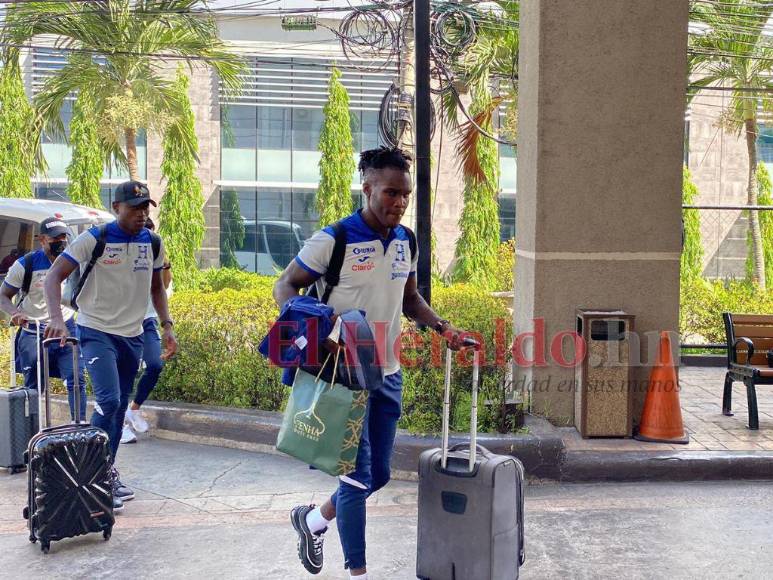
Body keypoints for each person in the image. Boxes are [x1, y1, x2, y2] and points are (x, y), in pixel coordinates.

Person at [273, 147, 466, 579]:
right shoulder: (335, 238)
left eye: (405, 195)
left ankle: (313, 520)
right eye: (390, 192)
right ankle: (357, 571)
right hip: (342, 377)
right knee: (357, 477)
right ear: (368, 188)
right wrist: (318, 327)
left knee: (376, 475)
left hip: (387, 373)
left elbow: (411, 298)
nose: (399, 202)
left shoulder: (406, 241)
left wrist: (444, 329)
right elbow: (285, 285)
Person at [43, 181, 178, 513]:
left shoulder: (153, 242)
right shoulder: (95, 239)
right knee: (109, 399)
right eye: (134, 207)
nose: (141, 213)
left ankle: (104, 473)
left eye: (145, 207)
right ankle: (89, 473)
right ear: (116, 207)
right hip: (95, 330)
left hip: (131, 334)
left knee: (118, 409)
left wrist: (167, 324)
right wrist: (57, 318)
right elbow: (52, 277)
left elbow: (157, 288)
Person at [0, 218, 86, 420]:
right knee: (34, 385)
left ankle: (79, 425)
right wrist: (15, 313)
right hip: (33, 330)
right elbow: (3, 294)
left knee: (76, 378)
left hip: (66, 328)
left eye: (64, 236)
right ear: (42, 240)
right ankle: (32, 427)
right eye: (56, 238)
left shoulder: (73, 262)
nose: (61, 241)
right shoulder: (26, 264)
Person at [121, 217, 172, 444]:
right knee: (125, 373)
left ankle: (134, 409)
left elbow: (164, 285)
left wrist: (165, 262)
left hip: (148, 320)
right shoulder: (126, 256)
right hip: (122, 323)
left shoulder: (155, 254)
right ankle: (120, 425)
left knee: (155, 364)